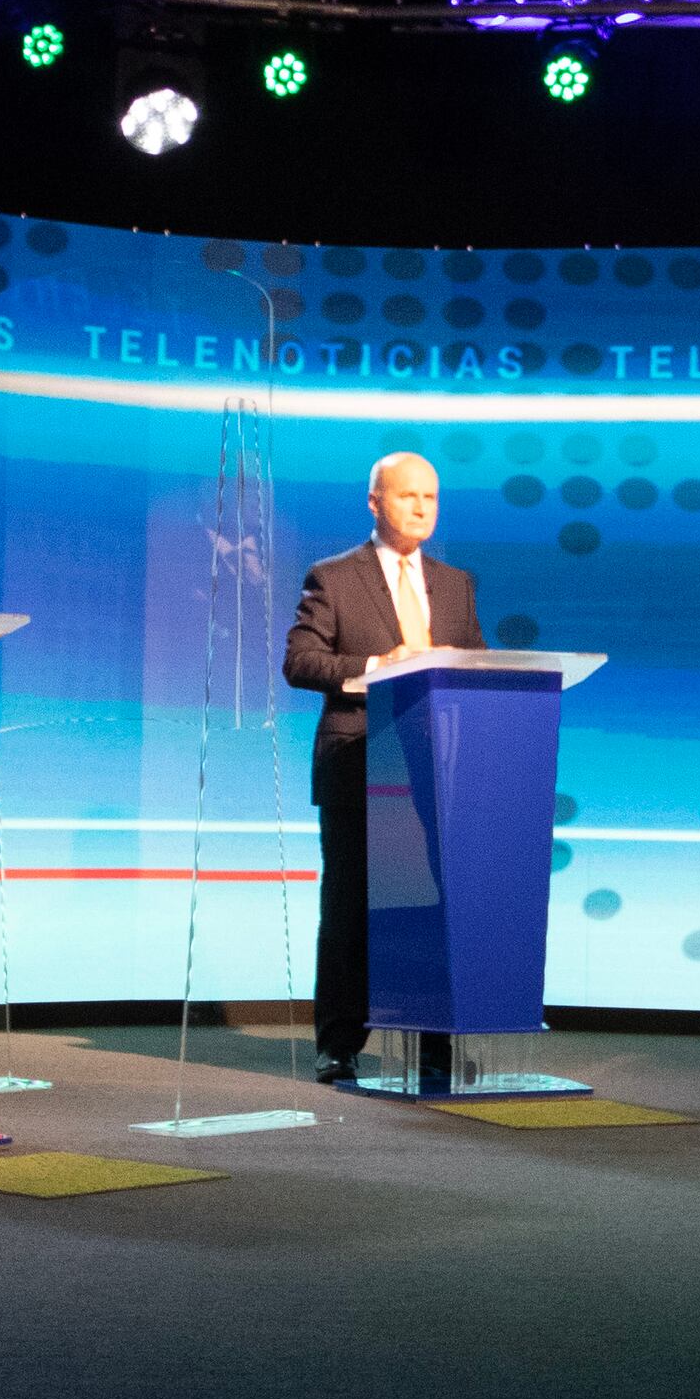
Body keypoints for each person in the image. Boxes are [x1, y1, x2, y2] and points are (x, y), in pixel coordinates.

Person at [283, 450, 481, 1080]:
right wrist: (377, 668)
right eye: (407, 497)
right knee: (351, 908)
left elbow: (477, 664)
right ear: (375, 503)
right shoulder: (334, 576)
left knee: (430, 907)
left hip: (434, 770)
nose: (421, 508)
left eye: (431, 498)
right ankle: (339, 1043)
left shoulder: (455, 583)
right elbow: (301, 662)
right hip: (358, 761)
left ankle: (434, 1040)